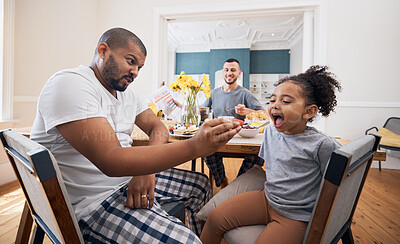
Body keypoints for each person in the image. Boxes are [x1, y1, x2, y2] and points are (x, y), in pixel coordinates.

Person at [30, 27, 241, 243]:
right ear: (103, 51)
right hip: (95, 203)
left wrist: (145, 172)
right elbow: (111, 160)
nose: (136, 72)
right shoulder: (71, 84)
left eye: (139, 67)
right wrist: (196, 146)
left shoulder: (128, 94)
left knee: (200, 187)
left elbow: (157, 127)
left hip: (125, 178)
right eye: (130, 61)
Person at [200, 65, 342, 243]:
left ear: (309, 111)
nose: (275, 106)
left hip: (295, 216)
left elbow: (340, 180)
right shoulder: (269, 132)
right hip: (267, 199)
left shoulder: (322, 144)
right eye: (273, 100)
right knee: (214, 218)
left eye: (286, 101)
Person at [203, 58, 266, 187]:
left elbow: (264, 113)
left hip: (240, 137)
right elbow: (202, 111)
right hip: (219, 136)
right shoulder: (213, 93)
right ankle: (222, 181)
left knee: (258, 156)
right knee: (206, 152)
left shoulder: (245, 93)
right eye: (226, 70)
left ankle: (237, 184)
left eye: (233, 70)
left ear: (239, 73)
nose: (229, 73)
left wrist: (247, 111)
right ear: (223, 72)